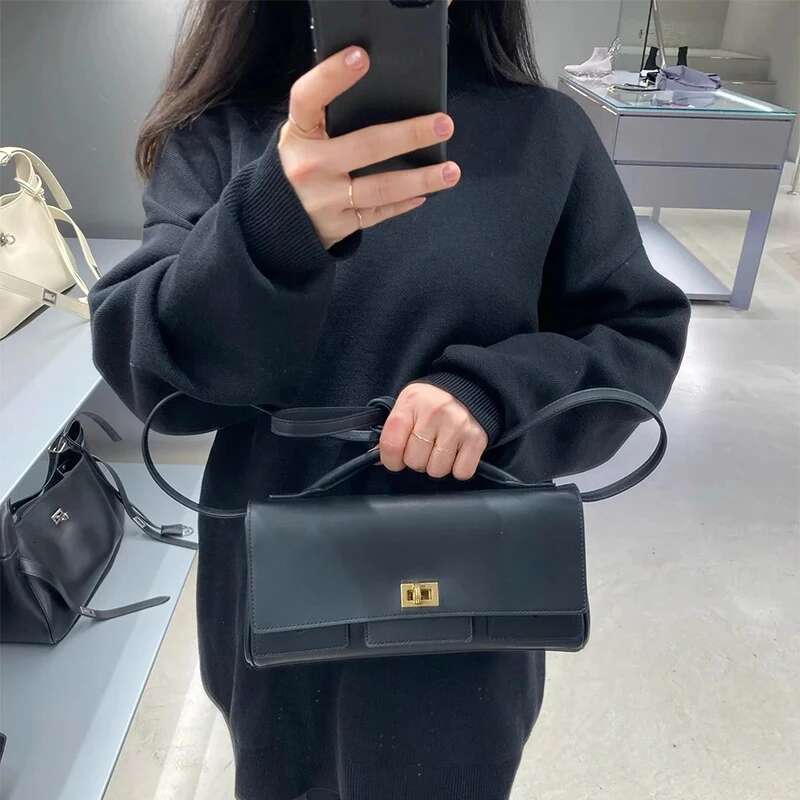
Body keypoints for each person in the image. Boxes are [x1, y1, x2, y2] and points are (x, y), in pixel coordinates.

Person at [89, 2, 690, 798]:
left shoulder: (547, 137)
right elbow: (150, 368)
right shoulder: (224, 138)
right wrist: (271, 225)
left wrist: (494, 392)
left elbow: (635, 335)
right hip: (279, 597)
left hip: (469, 615)